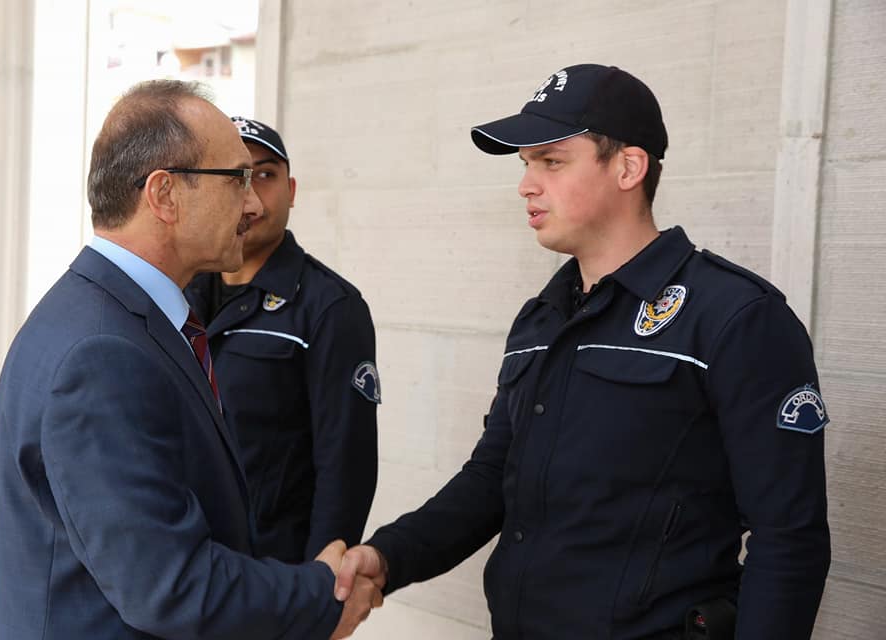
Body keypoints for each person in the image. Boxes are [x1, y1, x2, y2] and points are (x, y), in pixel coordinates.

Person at [336, 63, 830, 639]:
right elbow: (493, 476)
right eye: (526, 165)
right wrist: (389, 557)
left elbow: (788, 538)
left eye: (551, 161)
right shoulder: (543, 318)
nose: (526, 185)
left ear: (628, 167)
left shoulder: (734, 318)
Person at [0, 79, 379, 640]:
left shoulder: (105, 315)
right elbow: (169, 586)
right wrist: (319, 591)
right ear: (164, 195)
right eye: (236, 179)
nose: (251, 203)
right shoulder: (102, 353)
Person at [184, 117, 379, 564]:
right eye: (236, 178)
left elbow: (344, 466)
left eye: (265, 175)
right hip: (183, 564)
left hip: (271, 572)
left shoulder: (330, 306)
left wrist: (318, 592)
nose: (250, 197)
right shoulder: (179, 294)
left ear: (291, 190)